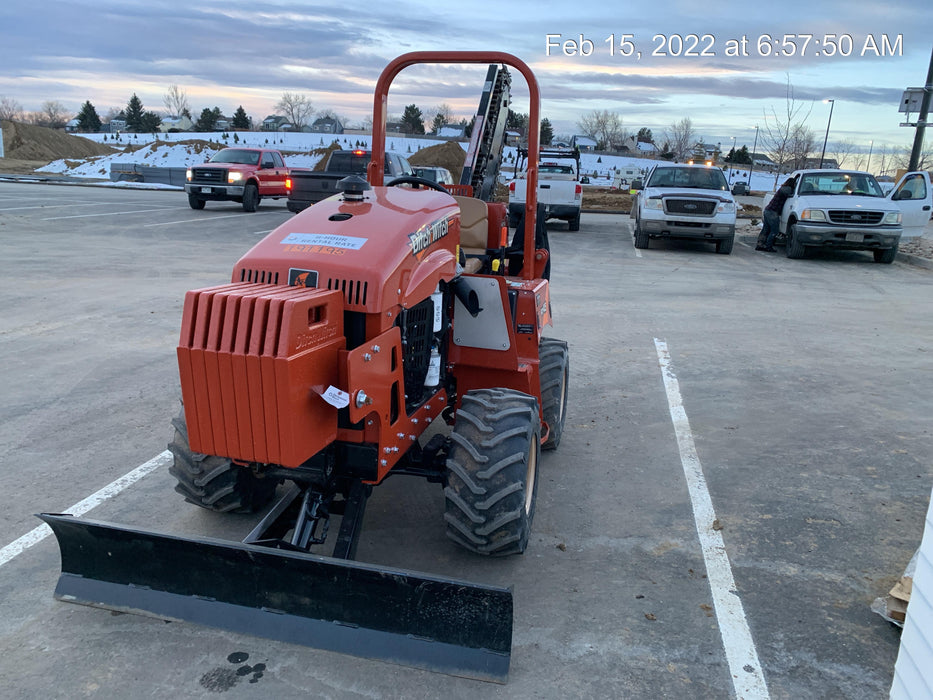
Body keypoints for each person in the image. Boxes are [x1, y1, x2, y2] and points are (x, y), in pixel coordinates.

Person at [756, 176, 797, 252]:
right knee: (774, 231)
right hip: (773, 212)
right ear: (793, 184)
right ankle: (769, 246)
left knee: (766, 229)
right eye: (795, 184)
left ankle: (760, 244)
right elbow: (791, 194)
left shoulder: (783, 188)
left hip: (768, 210)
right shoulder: (787, 189)